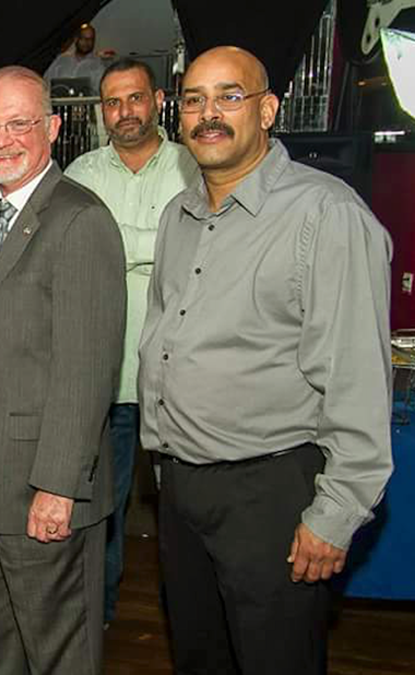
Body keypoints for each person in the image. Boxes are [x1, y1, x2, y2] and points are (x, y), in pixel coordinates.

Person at [139, 46, 393, 674]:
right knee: (202, 659)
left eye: (230, 96)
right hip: (182, 489)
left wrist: (335, 515)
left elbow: (358, 380)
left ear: (269, 109)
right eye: (193, 100)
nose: (208, 114)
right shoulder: (179, 215)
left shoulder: (326, 214)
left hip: (271, 495)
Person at [0, 66, 125, 675]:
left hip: (41, 494)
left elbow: (87, 370)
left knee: (59, 659)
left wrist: (56, 487)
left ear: (52, 128)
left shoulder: (79, 220)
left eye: (19, 123)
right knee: (5, 656)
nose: (2, 140)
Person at [63, 57, 200, 625]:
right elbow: (73, 251)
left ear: (159, 99)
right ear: (102, 110)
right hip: (110, 375)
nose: (125, 112)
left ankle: (190, 615)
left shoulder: (193, 167)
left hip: (182, 379)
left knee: (187, 512)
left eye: (135, 98)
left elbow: (198, 247)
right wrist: (160, 240)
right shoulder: (81, 175)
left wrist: (117, 240)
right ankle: (102, 611)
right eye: (113, 102)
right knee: (106, 510)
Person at [45, 23, 106, 95]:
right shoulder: (61, 60)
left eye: (90, 39)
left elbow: (102, 91)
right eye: (83, 38)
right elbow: (46, 83)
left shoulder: (98, 64)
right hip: (60, 105)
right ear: (76, 39)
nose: (87, 42)